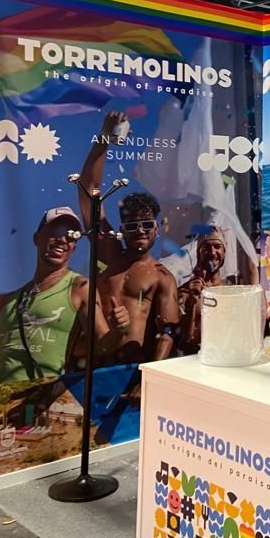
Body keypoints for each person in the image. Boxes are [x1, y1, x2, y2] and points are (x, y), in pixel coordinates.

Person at [0, 207, 129, 424]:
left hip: (41, 406)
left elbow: (103, 345)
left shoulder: (79, 288)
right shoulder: (7, 303)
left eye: (71, 236)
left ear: (74, 247)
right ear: (37, 238)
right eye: (55, 232)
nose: (62, 240)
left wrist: (120, 329)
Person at [79, 111, 179, 400]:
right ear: (122, 229)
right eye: (132, 226)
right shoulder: (110, 255)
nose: (140, 231)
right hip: (92, 368)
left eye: (147, 224)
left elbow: (168, 331)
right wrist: (104, 138)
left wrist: (148, 381)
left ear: (157, 228)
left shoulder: (162, 277)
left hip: (132, 374)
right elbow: (88, 194)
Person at [178, 226, 231, 356]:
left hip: (223, 357)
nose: (212, 252)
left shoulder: (231, 291)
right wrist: (192, 303)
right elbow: (182, 339)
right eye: (206, 248)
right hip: (193, 359)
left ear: (224, 252)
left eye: (217, 247)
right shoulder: (185, 291)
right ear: (198, 253)